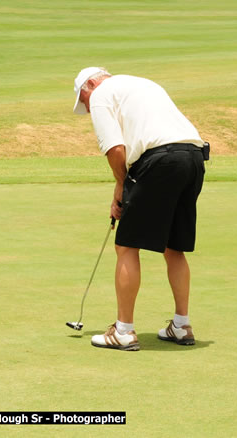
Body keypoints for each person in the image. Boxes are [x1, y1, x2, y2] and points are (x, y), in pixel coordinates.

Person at [72, 67, 206, 351]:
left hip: (159, 161)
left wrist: (121, 187)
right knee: (174, 247)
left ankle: (123, 331)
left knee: (127, 246)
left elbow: (116, 149)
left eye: (82, 99)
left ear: (90, 84)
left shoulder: (100, 94)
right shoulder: (142, 83)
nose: (86, 106)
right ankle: (181, 326)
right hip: (193, 158)